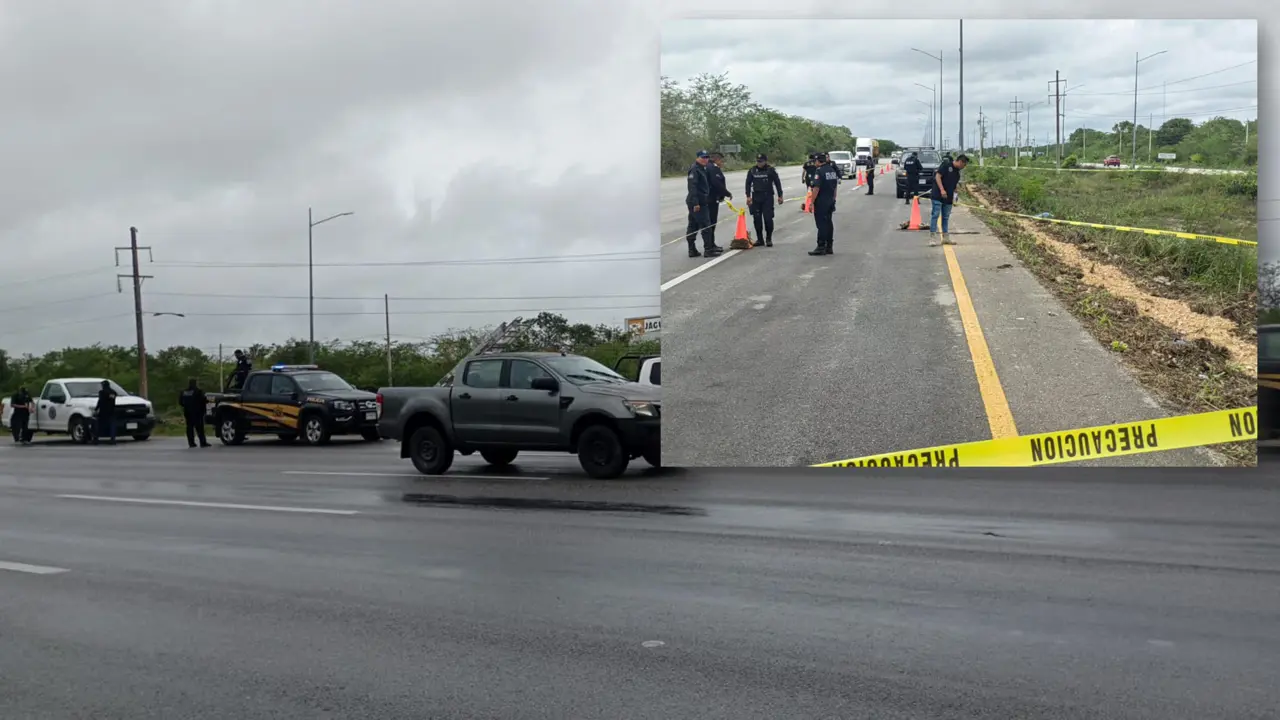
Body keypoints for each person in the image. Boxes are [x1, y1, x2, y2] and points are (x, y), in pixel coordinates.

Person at [684, 150, 722, 258]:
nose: (705, 159)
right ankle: (708, 250)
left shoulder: (702, 168)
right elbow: (692, 187)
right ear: (697, 158)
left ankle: (692, 250)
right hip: (697, 202)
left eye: (706, 157)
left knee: (693, 225)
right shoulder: (695, 170)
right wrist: (696, 203)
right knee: (706, 225)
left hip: (700, 201)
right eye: (703, 157)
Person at [929, 153, 970, 246]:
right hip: (938, 195)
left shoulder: (957, 173)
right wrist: (942, 189)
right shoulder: (946, 165)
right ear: (960, 161)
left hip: (948, 198)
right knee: (935, 215)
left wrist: (955, 196)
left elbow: (954, 185)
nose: (963, 167)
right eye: (964, 165)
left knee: (946, 217)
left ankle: (946, 238)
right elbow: (938, 176)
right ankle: (932, 237)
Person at [745, 154, 783, 247]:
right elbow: (748, 184)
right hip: (756, 197)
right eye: (758, 161)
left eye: (761, 161)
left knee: (768, 219)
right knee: (757, 219)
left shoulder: (770, 170)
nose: (759, 163)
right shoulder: (752, 170)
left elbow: (777, 183)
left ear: (765, 161)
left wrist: (780, 195)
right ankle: (760, 239)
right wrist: (748, 196)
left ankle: (768, 238)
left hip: (767, 197)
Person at [806, 152, 841, 256]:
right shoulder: (831, 170)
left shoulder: (819, 171)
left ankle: (821, 246)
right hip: (830, 200)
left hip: (821, 201)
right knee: (829, 223)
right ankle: (829, 246)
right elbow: (835, 187)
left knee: (821, 224)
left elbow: (816, 188)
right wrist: (834, 198)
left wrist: (811, 202)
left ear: (818, 161)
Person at [705, 152, 734, 244]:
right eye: (721, 160)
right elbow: (717, 183)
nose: (722, 162)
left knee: (710, 223)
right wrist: (727, 193)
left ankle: (711, 244)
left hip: (709, 197)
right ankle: (710, 245)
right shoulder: (712, 168)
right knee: (711, 222)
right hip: (711, 198)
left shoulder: (707, 167)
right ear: (716, 159)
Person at [178, 378, 211, 448]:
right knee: (200, 428)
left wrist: (186, 406)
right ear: (195, 383)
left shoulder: (184, 392)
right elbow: (204, 400)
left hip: (187, 412)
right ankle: (203, 442)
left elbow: (180, 402)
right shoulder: (198, 391)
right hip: (197, 412)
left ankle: (191, 443)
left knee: (189, 428)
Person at [93, 379, 117, 445]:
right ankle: (113, 439)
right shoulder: (113, 392)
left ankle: (96, 439)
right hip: (112, 411)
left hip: (103, 411)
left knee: (98, 425)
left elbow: (100, 401)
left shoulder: (102, 392)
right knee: (112, 426)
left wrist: (96, 409)